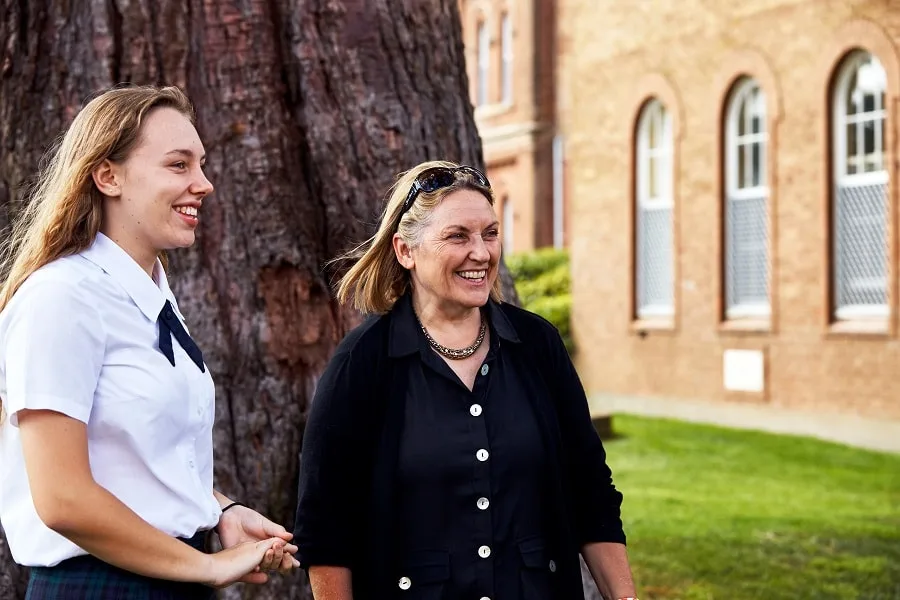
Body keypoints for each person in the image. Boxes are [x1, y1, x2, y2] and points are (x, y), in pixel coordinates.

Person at [0, 85, 299, 599]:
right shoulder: (62, 296)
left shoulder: (152, 296)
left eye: (201, 165)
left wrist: (218, 511)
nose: (203, 184)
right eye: (178, 165)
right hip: (100, 588)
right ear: (107, 175)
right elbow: (62, 498)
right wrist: (206, 567)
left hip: (170, 582)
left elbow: (134, 461)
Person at [293, 160, 639, 599]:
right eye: (458, 236)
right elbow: (327, 531)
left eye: (490, 234)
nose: (482, 252)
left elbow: (591, 493)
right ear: (405, 251)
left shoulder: (537, 345)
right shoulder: (361, 364)